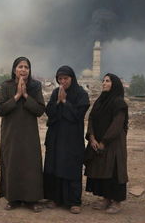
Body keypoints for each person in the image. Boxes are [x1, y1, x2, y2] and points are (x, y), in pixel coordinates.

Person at [0, 57, 45, 212]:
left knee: (31, 165)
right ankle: (13, 199)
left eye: (26, 67)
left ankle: (32, 200)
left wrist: (25, 96)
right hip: (11, 133)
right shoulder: (6, 86)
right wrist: (17, 96)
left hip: (29, 133)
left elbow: (39, 110)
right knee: (12, 163)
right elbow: (0, 110)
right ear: (14, 70)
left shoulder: (35, 86)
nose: (23, 70)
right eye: (20, 67)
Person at [43, 66, 90, 214]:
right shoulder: (56, 92)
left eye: (66, 78)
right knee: (55, 166)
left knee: (71, 168)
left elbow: (78, 115)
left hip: (72, 139)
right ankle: (55, 198)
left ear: (72, 78)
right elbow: (49, 113)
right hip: (56, 137)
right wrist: (57, 102)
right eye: (60, 79)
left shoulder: (81, 94)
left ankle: (74, 202)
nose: (62, 81)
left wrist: (65, 102)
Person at [84, 73, 128, 214]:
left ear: (114, 84)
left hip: (113, 144)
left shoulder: (119, 103)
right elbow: (91, 119)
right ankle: (106, 199)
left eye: (107, 81)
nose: (104, 83)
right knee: (102, 170)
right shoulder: (100, 101)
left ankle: (116, 202)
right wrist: (92, 137)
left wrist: (104, 141)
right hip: (97, 142)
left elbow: (117, 124)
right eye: (103, 81)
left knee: (114, 171)